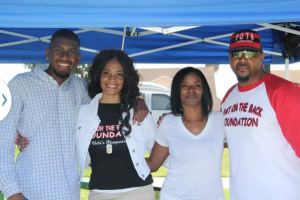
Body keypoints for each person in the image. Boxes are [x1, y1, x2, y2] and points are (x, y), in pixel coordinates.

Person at [0, 29, 148, 200]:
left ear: (78, 58)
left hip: (69, 192)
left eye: (71, 52)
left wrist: (138, 99)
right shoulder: (20, 84)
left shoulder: (83, 89)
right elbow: (3, 144)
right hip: (30, 191)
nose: (65, 57)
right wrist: (12, 193)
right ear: (48, 53)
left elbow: (114, 94)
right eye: (58, 50)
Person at [221, 29, 300, 199]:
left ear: (261, 56)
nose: (242, 59)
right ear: (229, 58)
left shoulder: (283, 92)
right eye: (236, 53)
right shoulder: (228, 97)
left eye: (249, 53)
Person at [76, 49, 156, 200]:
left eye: (119, 74)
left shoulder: (139, 112)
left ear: (126, 78)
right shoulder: (83, 114)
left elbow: (158, 148)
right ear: (98, 75)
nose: (112, 79)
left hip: (139, 191)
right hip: (101, 193)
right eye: (106, 73)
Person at [147, 67, 226, 200]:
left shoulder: (220, 120)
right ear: (177, 91)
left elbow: (243, 150)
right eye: (185, 85)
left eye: (197, 85)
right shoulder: (168, 122)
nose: (191, 90)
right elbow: (153, 164)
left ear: (204, 90)